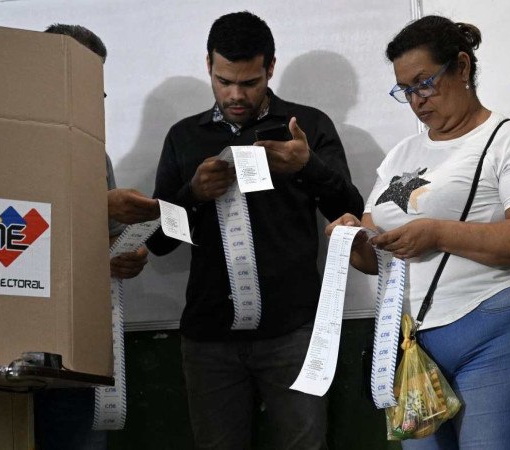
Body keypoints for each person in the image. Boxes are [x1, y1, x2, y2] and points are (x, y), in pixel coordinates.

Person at [327, 15, 510, 450]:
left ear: (461, 67)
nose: (416, 100)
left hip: (498, 330)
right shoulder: (402, 154)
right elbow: (372, 260)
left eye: (424, 82)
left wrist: (437, 233)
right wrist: (353, 238)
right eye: (405, 90)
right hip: (412, 346)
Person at [146, 11, 363, 450]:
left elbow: (350, 215)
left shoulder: (307, 127)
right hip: (209, 337)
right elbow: (159, 242)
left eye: (249, 82)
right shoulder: (184, 137)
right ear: (208, 65)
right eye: (225, 81)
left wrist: (308, 167)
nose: (236, 95)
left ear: (270, 68)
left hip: (294, 330)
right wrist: (193, 194)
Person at [33, 24, 159, 450]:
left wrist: (126, 252)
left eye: (100, 91)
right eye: (86, 86)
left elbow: (105, 242)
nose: (96, 102)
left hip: (77, 350)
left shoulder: (95, 155)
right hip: (8, 350)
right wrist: (94, 207)